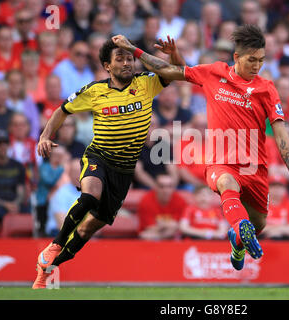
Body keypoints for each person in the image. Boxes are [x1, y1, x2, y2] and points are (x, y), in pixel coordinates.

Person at [112, 25, 289, 271]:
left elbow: (281, 131)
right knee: (225, 183)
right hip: (221, 161)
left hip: (255, 166)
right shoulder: (214, 72)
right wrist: (132, 49)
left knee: (259, 224)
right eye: (251, 60)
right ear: (236, 57)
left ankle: (238, 239)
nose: (257, 66)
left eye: (261, 61)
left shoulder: (266, 88)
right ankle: (240, 225)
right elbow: (169, 70)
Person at [32, 36, 182, 289]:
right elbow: (62, 110)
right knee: (90, 196)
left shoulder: (147, 83)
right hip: (98, 157)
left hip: (124, 171)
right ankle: (55, 244)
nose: (126, 63)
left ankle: (47, 270)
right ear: (107, 66)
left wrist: (173, 52)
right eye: (119, 59)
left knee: (88, 229)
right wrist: (45, 135)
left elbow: (177, 72)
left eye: (129, 58)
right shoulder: (94, 91)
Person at [0, 130, 26, 222]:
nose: (3, 146)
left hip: (14, 203)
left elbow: (21, 191)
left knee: (27, 212)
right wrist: (5, 204)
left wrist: (15, 204)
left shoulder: (18, 166)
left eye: (5, 143)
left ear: (9, 145)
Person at [137, 174, 187, 240]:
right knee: (145, 235)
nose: (166, 190)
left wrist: (162, 224)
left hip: (169, 236)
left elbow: (178, 226)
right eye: (161, 186)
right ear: (155, 187)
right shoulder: (146, 200)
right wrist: (169, 225)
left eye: (169, 186)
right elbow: (149, 228)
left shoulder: (180, 201)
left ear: (173, 187)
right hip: (151, 236)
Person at [45, 158, 82, 237]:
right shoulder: (60, 194)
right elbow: (63, 225)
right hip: (58, 236)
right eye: (75, 171)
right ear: (69, 173)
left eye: (82, 171)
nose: (79, 174)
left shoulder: (92, 191)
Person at [259, 175, 289, 241]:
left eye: (280, 187)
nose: (276, 190)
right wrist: (272, 231)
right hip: (263, 238)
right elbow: (256, 227)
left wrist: (276, 231)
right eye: (273, 187)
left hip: (283, 238)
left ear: (285, 189)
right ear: (267, 188)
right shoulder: (261, 204)